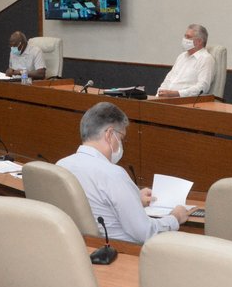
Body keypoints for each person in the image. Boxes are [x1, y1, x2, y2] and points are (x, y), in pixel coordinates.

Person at [57, 102, 191, 244]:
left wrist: (133, 198)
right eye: (121, 138)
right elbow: (146, 233)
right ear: (109, 134)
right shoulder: (112, 174)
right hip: (123, 253)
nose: (121, 144)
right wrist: (175, 218)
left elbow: (93, 205)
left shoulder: (61, 166)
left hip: (77, 248)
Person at [157, 24, 215, 98]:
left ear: (199, 41)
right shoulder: (181, 56)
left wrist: (177, 93)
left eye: (188, 37)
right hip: (165, 100)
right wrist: (158, 95)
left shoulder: (206, 59)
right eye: (185, 36)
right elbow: (168, 79)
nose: (184, 39)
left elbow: (203, 87)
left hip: (184, 102)